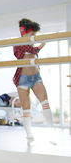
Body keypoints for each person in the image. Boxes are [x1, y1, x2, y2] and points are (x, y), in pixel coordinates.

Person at [13, 18, 55, 146]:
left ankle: (51, 132)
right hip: (23, 79)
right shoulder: (18, 44)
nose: (34, 38)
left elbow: (34, 51)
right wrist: (43, 43)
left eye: (34, 35)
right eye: (32, 35)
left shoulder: (30, 43)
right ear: (24, 33)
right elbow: (34, 51)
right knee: (26, 108)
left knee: (45, 102)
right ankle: (29, 136)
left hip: (36, 77)